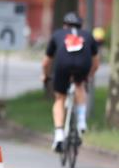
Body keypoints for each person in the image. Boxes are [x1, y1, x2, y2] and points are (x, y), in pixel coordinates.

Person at [42, 11, 100, 152]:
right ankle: (81, 121)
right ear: (81, 26)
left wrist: (45, 75)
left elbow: (46, 62)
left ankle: (59, 135)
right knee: (80, 85)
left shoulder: (57, 34)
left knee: (60, 98)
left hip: (62, 65)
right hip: (83, 65)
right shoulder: (88, 35)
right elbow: (96, 62)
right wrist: (90, 76)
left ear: (64, 25)